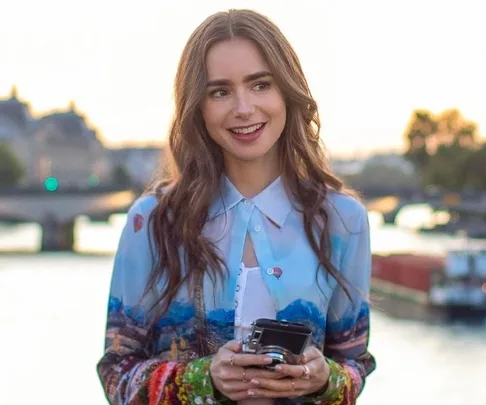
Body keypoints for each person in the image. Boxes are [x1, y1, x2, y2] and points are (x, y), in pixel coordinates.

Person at [97, 8, 376, 405]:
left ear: (287, 90)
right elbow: (115, 373)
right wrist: (201, 379)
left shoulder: (344, 221)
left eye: (260, 84)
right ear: (199, 107)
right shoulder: (153, 220)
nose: (243, 108)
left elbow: (355, 364)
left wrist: (322, 378)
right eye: (220, 91)